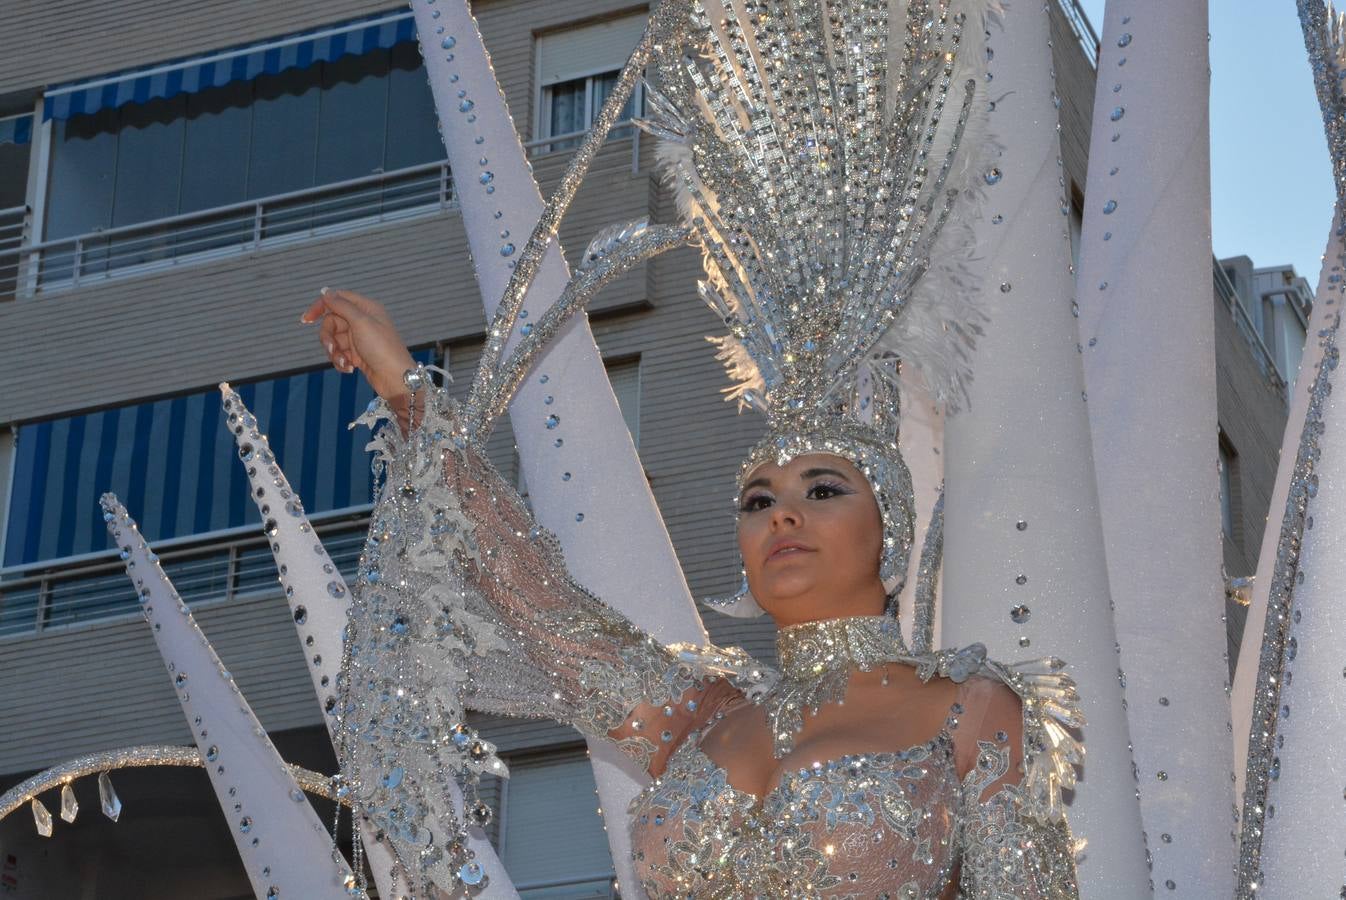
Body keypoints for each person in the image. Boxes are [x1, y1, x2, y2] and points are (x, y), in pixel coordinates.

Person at [301, 287, 1082, 898]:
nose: (782, 513)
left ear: (892, 533)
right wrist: (406, 388)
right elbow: (535, 600)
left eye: (823, 489)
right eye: (757, 500)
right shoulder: (703, 717)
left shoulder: (970, 708)